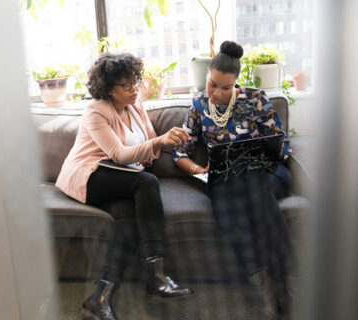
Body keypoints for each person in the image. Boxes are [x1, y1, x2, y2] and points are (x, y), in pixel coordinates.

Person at [55, 52, 194, 320]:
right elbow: (118, 154)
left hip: (119, 179)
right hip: (90, 174)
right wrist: (156, 144)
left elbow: (150, 149)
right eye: (126, 85)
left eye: (135, 82)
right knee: (146, 181)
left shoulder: (135, 105)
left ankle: (100, 298)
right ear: (108, 88)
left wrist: (162, 143)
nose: (134, 89)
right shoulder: (95, 111)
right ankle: (156, 273)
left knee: (128, 220)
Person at [172, 41, 298, 320]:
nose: (216, 93)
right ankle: (264, 286)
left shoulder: (256, 99)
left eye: (225, 88)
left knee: (251, 181)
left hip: (267, 175)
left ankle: (288, 283)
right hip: (227, 182)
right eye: (212, 84)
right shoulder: (199, 106)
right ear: (207, 76)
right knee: (224, 192)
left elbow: (282, 146)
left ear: (236, 84)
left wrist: (263, 154)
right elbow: (180, 152)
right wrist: (200, 170)